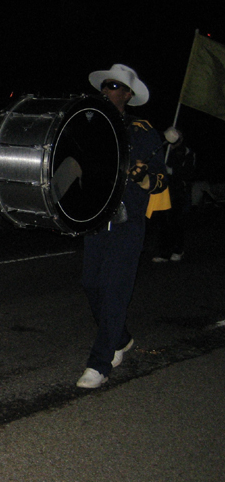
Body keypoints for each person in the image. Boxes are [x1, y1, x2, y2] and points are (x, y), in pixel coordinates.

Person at [77, 64, 167, 389]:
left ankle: (100, 363)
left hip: (127, 222)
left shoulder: (142, 130)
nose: (107, 90)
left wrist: (143, 177)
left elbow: (160, 178)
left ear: (128, 94)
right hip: (96, 220)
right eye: (105, 85)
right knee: (91, 284)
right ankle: (120, 338)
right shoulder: (91, 126)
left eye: (114, 86)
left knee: (114, 290)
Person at [152, 128, 196, 262]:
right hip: (163, 191)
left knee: (176, 221)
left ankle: (178, 249)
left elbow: (188, 173)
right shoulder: (163, 150)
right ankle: (164, 253)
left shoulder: (187, 152)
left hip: (177, 192)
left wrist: (171, 171)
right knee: (162, 222)